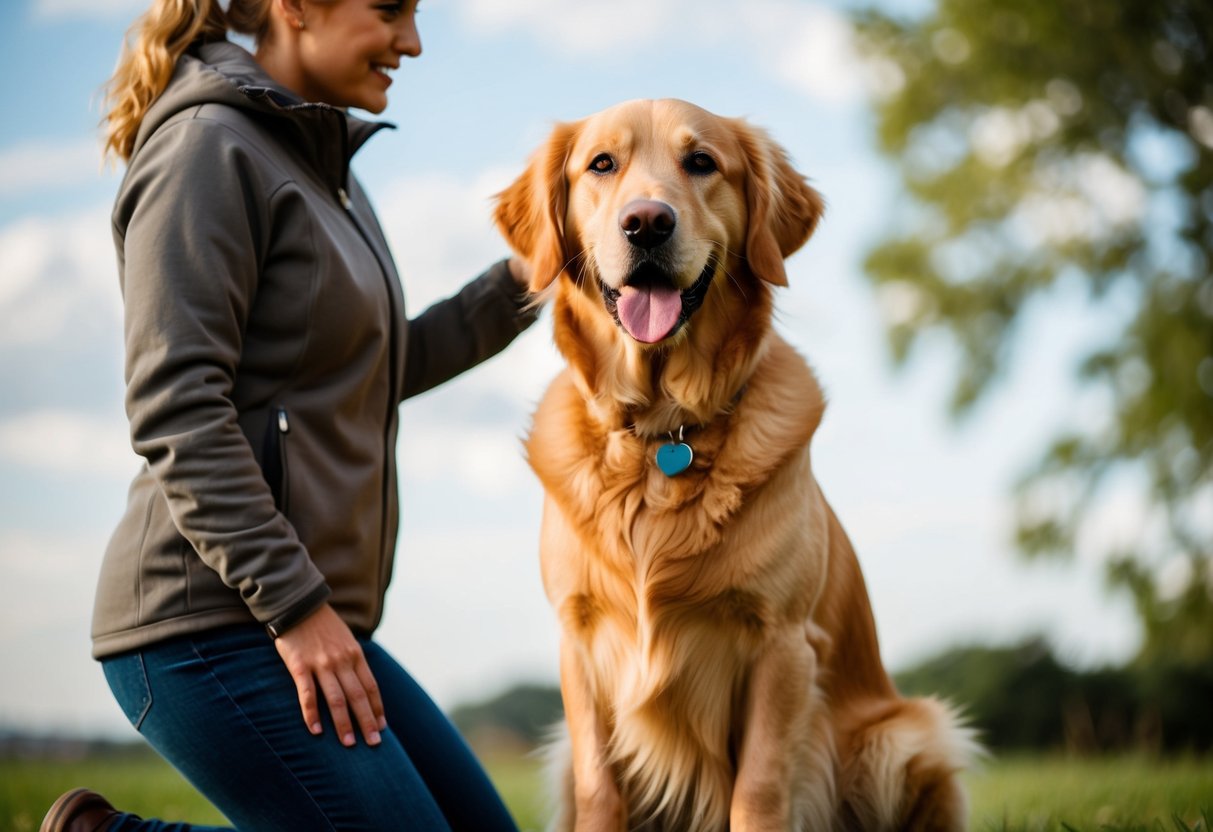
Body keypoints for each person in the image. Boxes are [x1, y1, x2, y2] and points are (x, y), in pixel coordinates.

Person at [41, 0, 537, 830]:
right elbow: (175, 407)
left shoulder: (322, 168)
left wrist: (538, 269)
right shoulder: (208, 147)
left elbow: (370, 372)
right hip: (210, 621)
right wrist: (298, 609)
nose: (411, 41)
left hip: (300, 613)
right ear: (295, 7)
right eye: (388, 10)